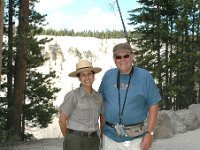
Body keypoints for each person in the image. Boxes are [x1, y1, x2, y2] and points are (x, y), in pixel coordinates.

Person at [98, 42, 161, 150]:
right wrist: (101, 131)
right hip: (109, 138)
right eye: (118, 57)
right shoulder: (108, 75)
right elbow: (101, 103)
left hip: (136, 139)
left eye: (126, 55)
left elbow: (153, 105)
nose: (122, 59)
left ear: (132, 56)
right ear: (114, 59)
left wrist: (149, 133)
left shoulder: (144, 76)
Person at [59, 59, 104, 150]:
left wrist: (101, 135)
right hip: (75, 141)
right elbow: (62, 120)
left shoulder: (99, 97)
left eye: (89, 74)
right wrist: (68, 139)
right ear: (79, 78)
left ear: (93, 75)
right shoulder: (73, 96)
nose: (87, 78)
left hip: (94, 140)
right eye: (83, 75)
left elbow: (102, 119)